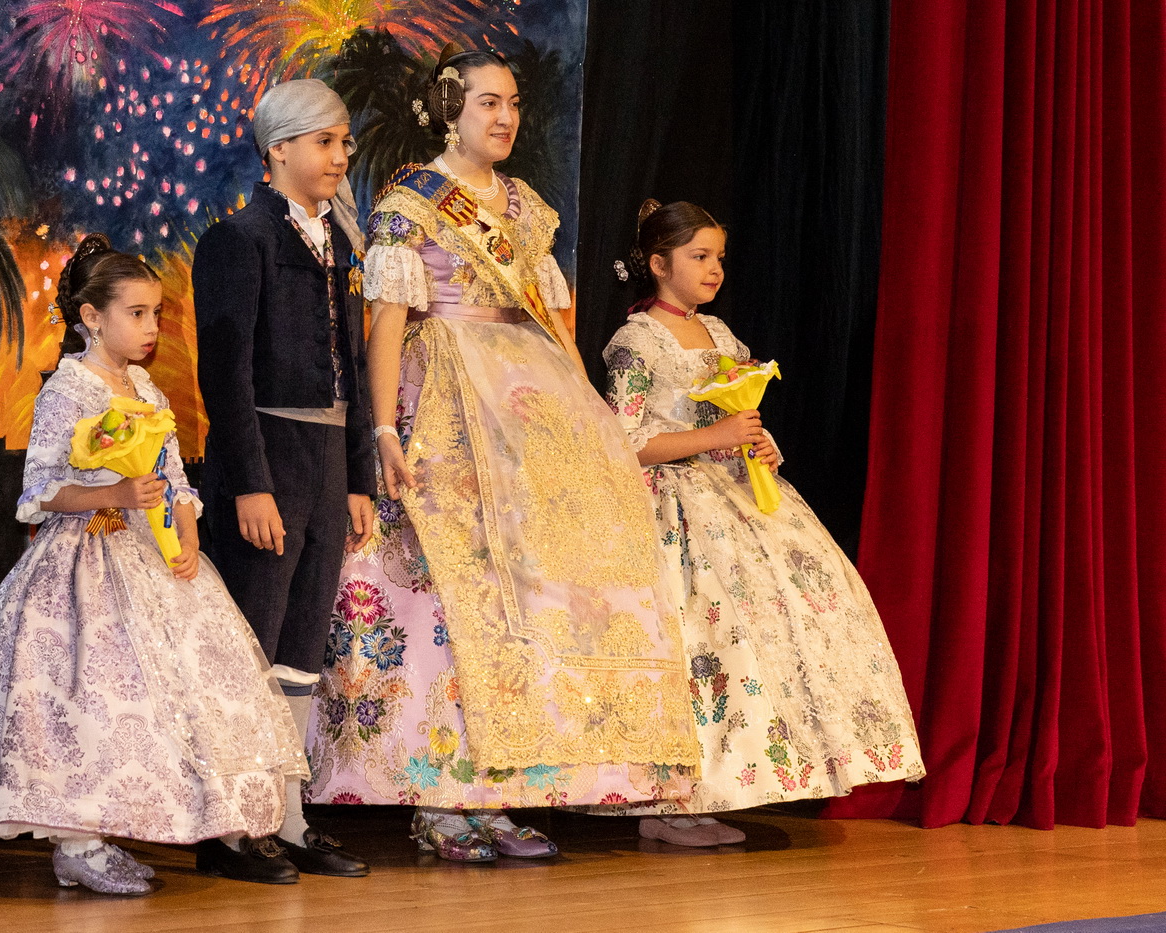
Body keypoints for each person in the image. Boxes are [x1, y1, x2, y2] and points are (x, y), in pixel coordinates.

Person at [304, 47, 702, 862]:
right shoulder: (413, 202)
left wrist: (587, 418)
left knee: (526, 600)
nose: (505, 116)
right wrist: (383, 431)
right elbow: (386, 324)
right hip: (441, 400)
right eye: (488, 101)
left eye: (513, 102)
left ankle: (502, 790)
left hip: (526, 407)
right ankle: (440, 798)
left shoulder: (527, 208)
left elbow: (555, 326)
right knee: (444, 597)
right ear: (451, 108)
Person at [0, 234, 309, 894]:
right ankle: (78, 843)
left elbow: (175, 478)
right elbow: (39, 490)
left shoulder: (146, 389)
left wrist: (185, 533)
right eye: (136, 313)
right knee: (89, 694)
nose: (151, 327)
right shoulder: (68, 389)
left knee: (181, 687)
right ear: (92, 317)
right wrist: (112, 493)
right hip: (84, 557)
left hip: (150, 553)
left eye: (156, 313)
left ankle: (149, 826)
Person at [597, 200, 926, 845]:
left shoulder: (722, 336)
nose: (714, 269)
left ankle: (718, 789)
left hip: (733, 491)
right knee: (698, 637)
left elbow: (735, 416)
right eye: (699, 256)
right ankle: (667, 804)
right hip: (674, 504)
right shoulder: (637, 342)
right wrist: (714, 435)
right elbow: (624, 440)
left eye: (719, 257)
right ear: (659, 264)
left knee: (778, 623)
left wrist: (755, 441)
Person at [192, 78, 373, 881]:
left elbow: (352, 367)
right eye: (325, 142)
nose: (340, 156)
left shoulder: (338, 240)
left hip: (326, 462)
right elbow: (224, 372)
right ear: (280, 149)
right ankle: (233, 824)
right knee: (252, 639)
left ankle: (289, 816)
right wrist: (250, 483)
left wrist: (359, 476)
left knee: (302, 645)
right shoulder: (241, 239)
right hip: (268, 453)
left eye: (344, 143)